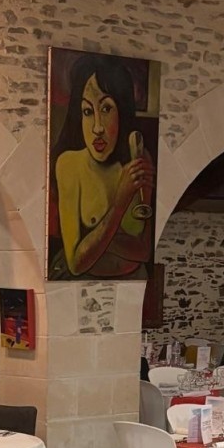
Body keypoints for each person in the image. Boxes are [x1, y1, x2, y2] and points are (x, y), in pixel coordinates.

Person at [51, 53, 154, 279]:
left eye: (106, 109)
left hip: (134, 284)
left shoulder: (139, 159)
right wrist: (120, 201)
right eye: (88, 112)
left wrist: (97, 238)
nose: (97, 127)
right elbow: (76, 262)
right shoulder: (69, 165)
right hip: (79, 286)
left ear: (122, 110)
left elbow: (145, 251)